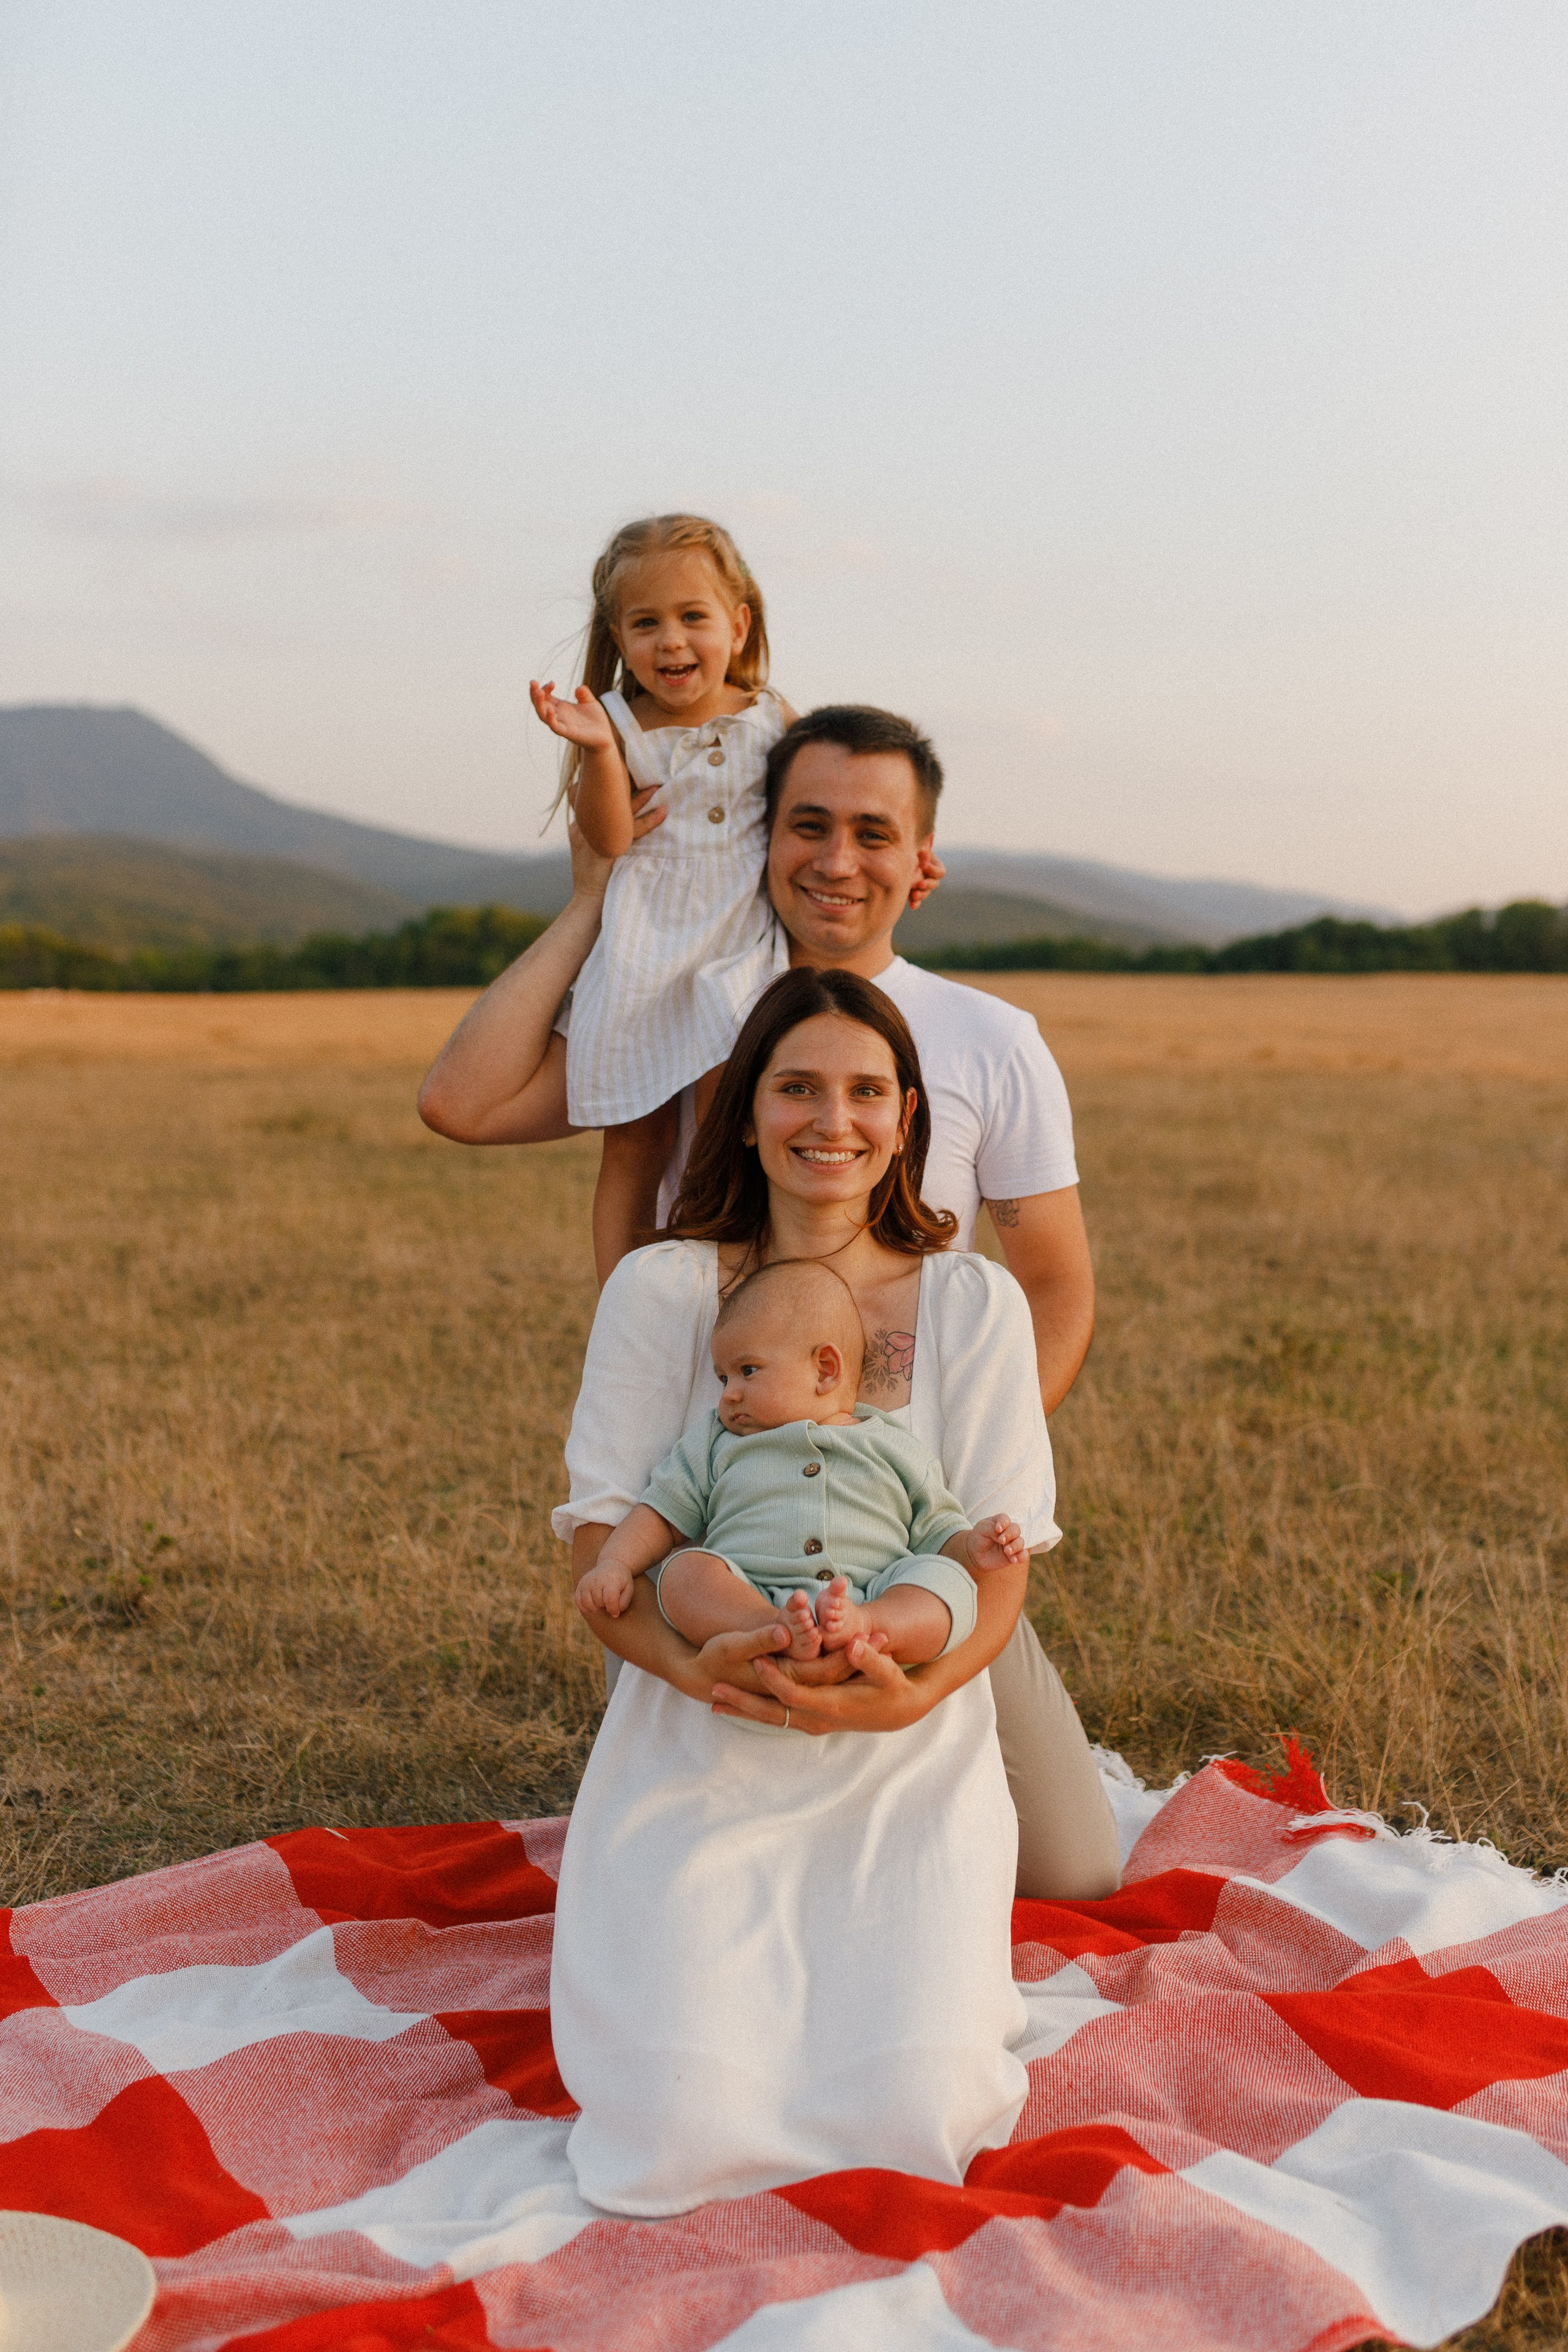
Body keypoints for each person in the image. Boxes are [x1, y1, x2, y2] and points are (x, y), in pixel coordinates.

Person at [419, 703, 1102, 1893]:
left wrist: (946, 1471)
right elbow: (463, 1104)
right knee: (719, 1833)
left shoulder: (993, 1040)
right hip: (721, 1506)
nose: (838, 860)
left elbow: (1050, 1288)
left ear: (919, 862)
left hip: (910, 1521)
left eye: (873, 833)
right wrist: (598, 896)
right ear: (763, 842)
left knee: (1069, 1872)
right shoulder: (680, 1004)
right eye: (808, 825)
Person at [549, 967, 1112, 2215]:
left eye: (865, 1092)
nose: (830, 1120)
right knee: (683, 2101)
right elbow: (598, 1535)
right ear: (743, 1112)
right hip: (707, 1695)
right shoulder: (664, 1286)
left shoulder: (974, 1303)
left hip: (903, 1702)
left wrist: (910, 1700)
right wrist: (695, 1665)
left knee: (913, 2090)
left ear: (906, 1119)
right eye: (795, 1086)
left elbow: (993, 1567)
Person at [527, 513, 794, 1282]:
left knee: (726, 1131)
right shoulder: (610, 722)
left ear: (737, 626)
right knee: (633, 1139)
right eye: (646, 624)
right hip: (644, 952)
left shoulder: (770, 717)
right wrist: (598, 751)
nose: (671, 641)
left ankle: (729, 1280)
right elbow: (611, 840)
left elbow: (828, 802)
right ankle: (624, 1300)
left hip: (738, 956)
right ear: (618, 635)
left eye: (693, 618)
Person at [576, 1254, 1028, 1664]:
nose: (728, 1394)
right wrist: (615, 1563)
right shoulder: (717, 1443)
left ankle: (867, 1627)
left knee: (946, 1584)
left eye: (747, 1370)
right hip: (750, 1591)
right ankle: (768, 1630)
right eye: (722, 1377)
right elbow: (660, 1514)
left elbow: (936, 1530)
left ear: (825, 1369)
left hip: (874, 1591)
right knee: (683, 1574)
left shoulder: (891, 1444)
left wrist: (970, 1548)